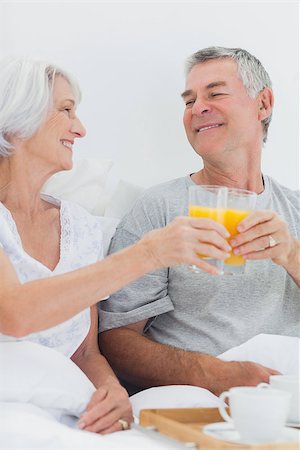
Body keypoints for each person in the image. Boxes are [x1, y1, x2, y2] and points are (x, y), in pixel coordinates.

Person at [0, 58, 227, 434]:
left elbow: (86, 352)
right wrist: (148, 254)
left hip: (65, 408)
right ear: (18, 119)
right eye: (66, 110)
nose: (81, 129)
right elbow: (15, 315)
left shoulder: (80, 227)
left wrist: (113, 392)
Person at [99, 47, 300, 396]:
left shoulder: (294, 209)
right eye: (189, 100)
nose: (197, 108)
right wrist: (209, 373)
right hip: (195, 399)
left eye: (215, 93)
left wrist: (291, 256)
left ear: (263, 104)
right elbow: (115, 340)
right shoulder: (158, 208)